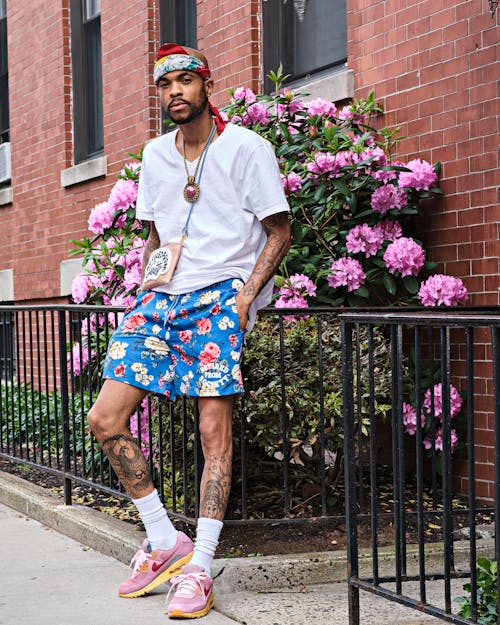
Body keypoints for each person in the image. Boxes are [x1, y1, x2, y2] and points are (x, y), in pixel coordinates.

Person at [87, 42, 291, 619]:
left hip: (218, 298)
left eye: (185, 81)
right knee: (104, 417)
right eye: (165, 84)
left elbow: (279, 231)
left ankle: (199, 565)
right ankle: (163, 538)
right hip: (162, 298)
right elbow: (156, 234)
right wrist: (144, 291)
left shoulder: (247, 149)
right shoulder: (155, 155)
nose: (175, 91)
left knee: (212, 432)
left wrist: (246, 299)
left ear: (206, 85)